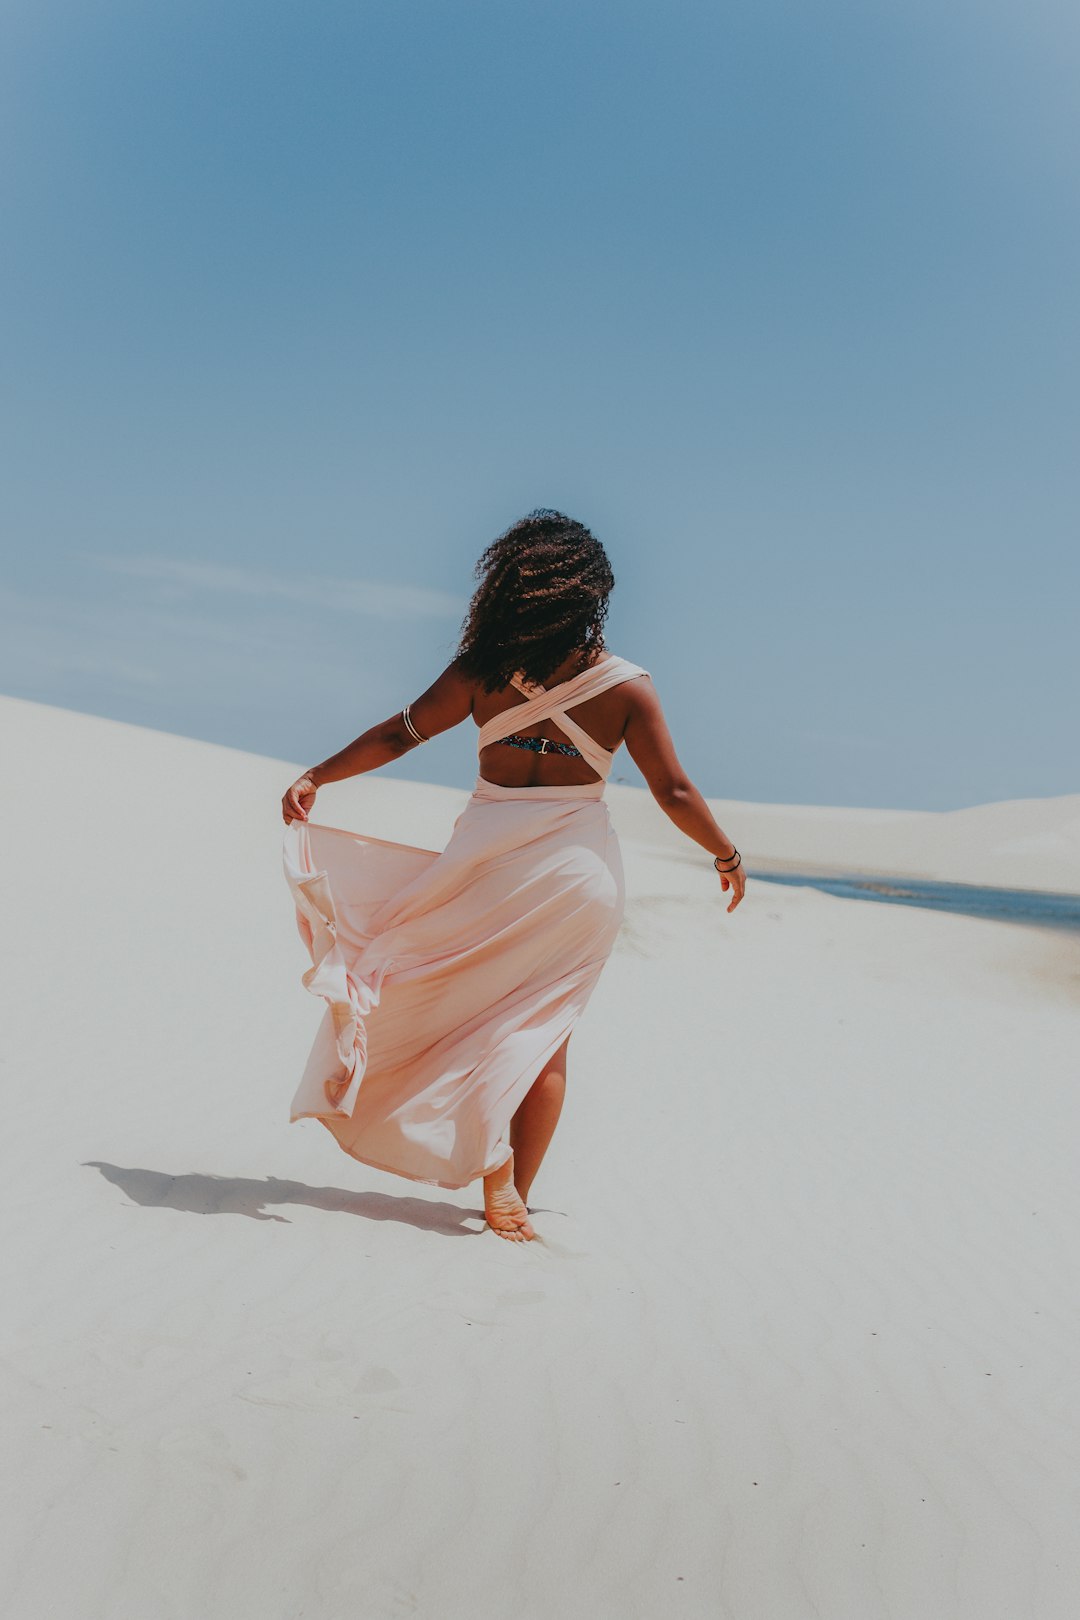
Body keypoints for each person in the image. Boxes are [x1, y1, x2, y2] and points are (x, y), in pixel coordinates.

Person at [281, 510, 745, 1242]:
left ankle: (468, 1141)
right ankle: (514, 1191)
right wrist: (725, 854)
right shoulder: (627, 688)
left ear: (508, 588)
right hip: (573, 879)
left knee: (443, 1001)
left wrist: (319, 775)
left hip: (484, 870)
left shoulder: (480, 671)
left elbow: (398, 732)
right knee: (544, 1031)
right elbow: (675, 792)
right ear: (590, 594)